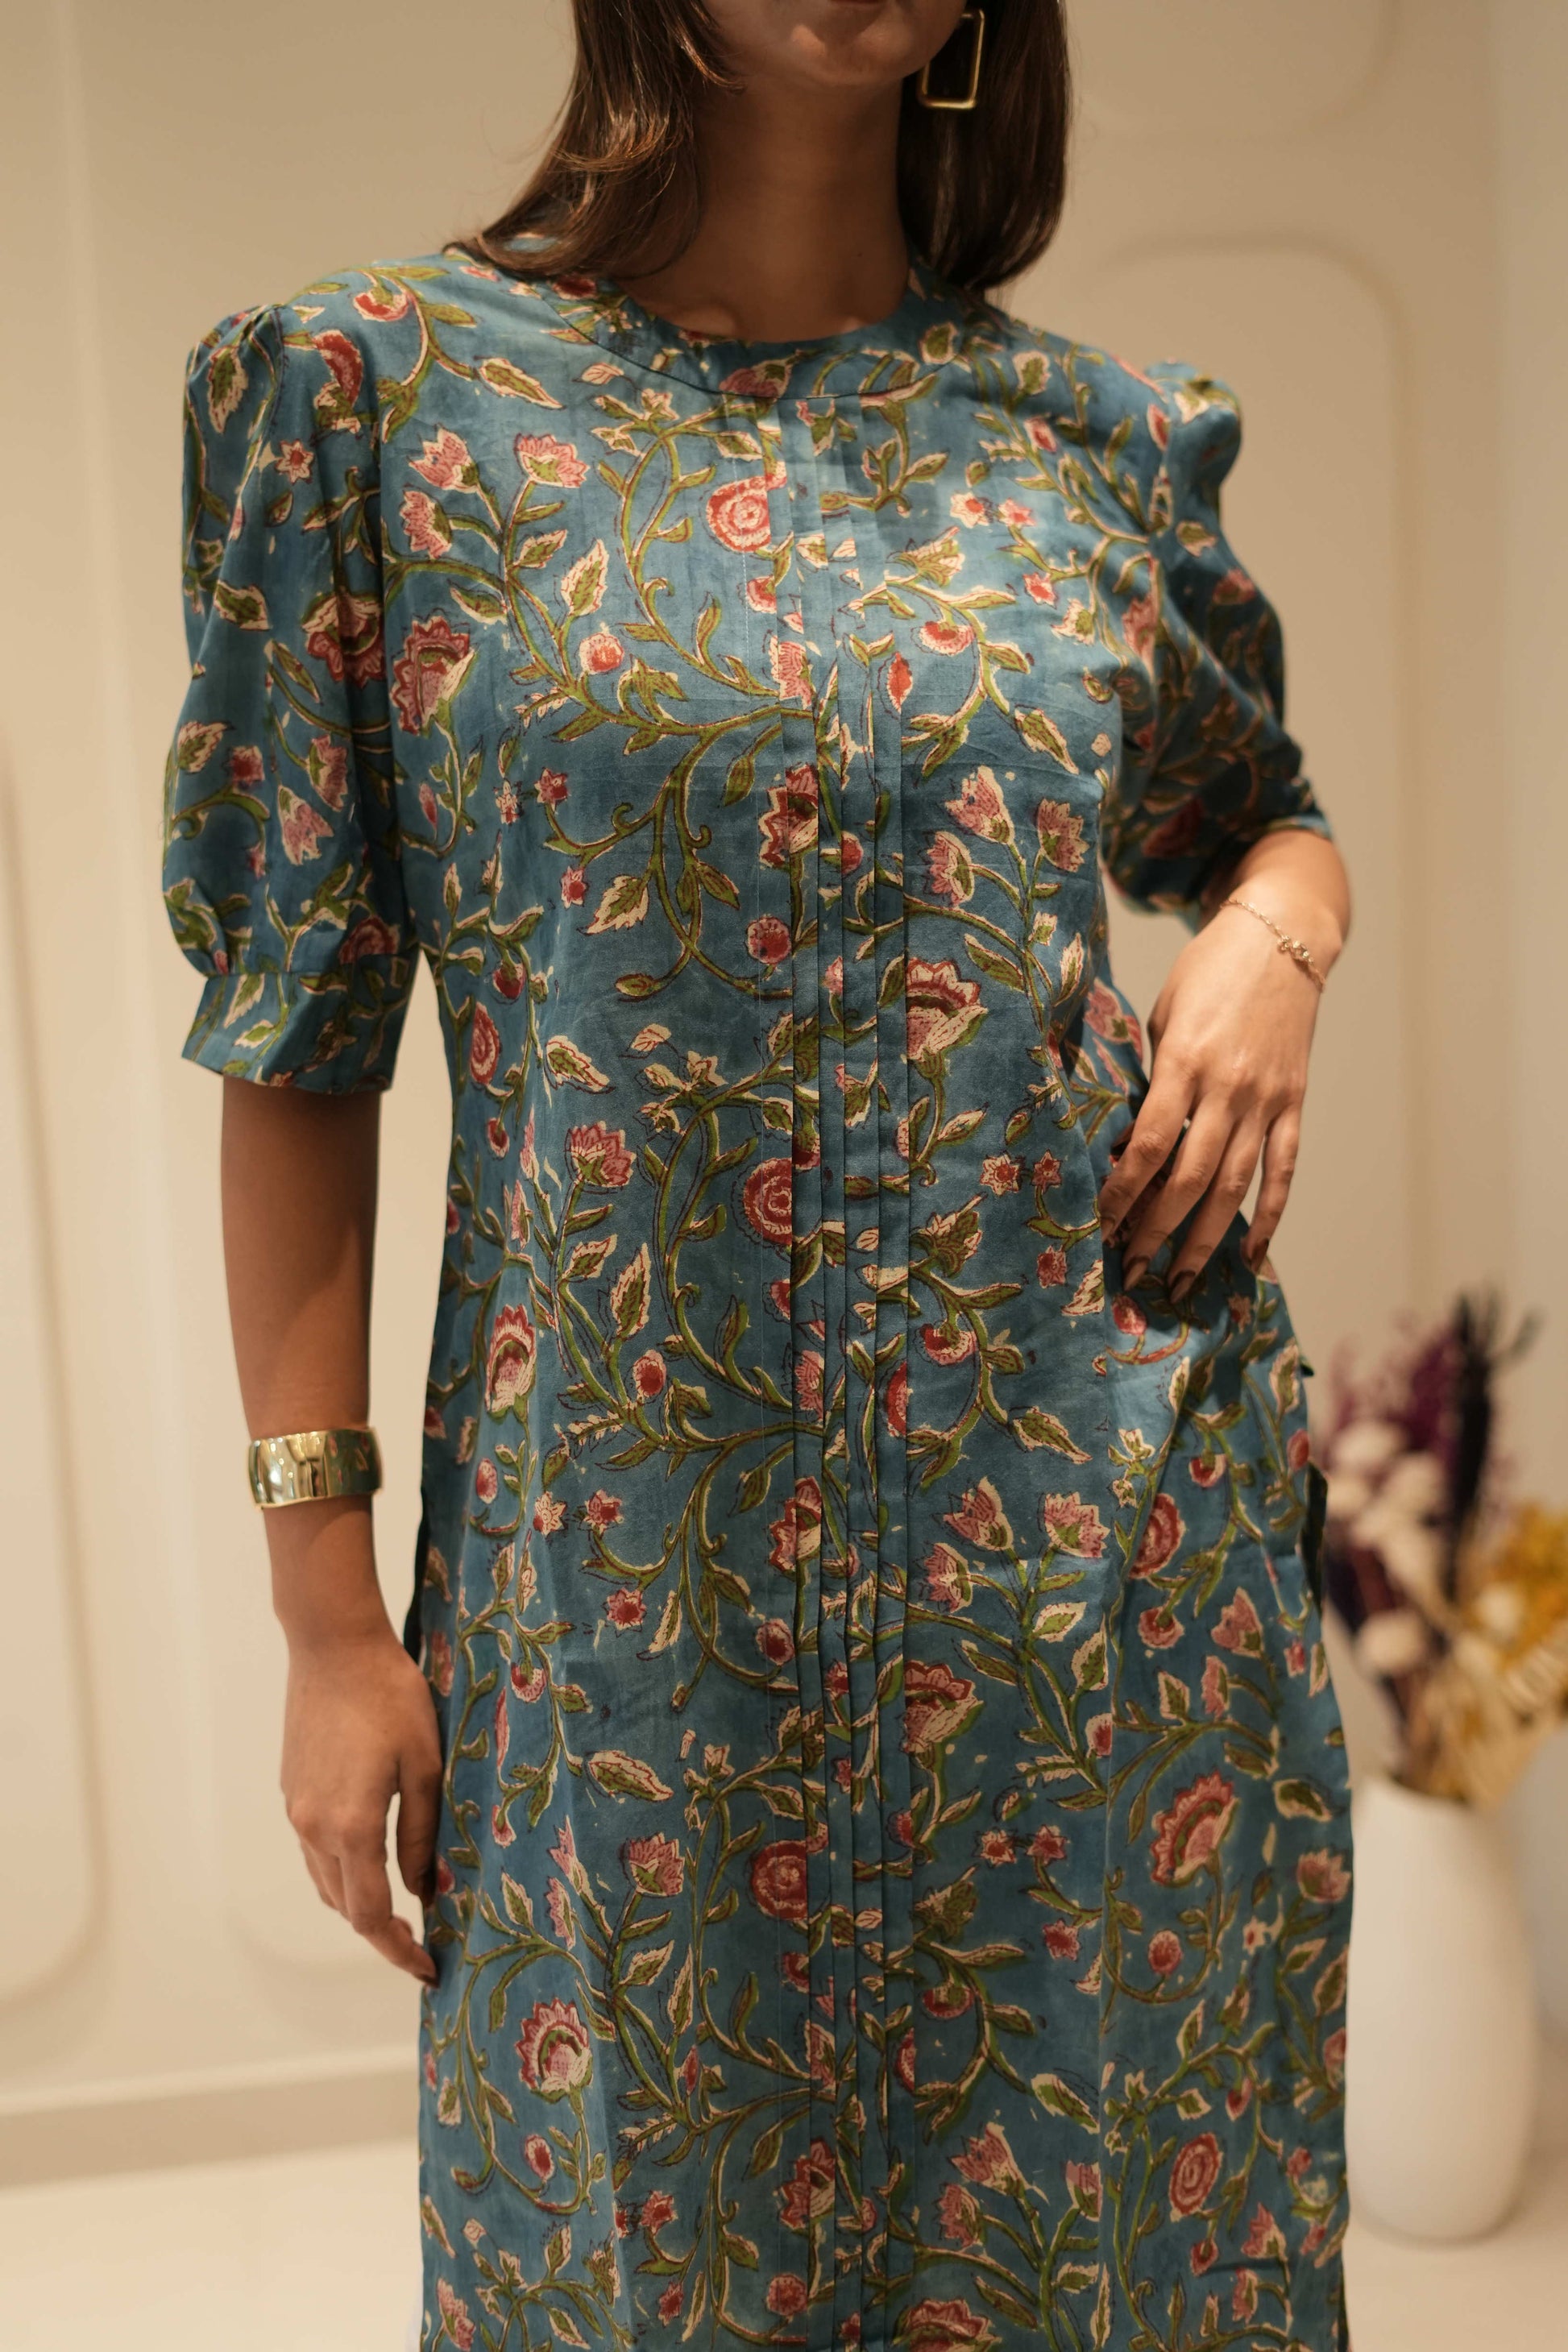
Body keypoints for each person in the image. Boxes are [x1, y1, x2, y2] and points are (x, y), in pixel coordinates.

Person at [161, 4, 1354, 2346]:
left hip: (1085, 1573)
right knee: (641, 2265)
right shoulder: (380, 402)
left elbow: (1260, 817)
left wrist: (1279, 940)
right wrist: (324, 1614)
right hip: (626, 1609)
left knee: (1088, 2255)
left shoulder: (1089, 442)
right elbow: (298, 1029)